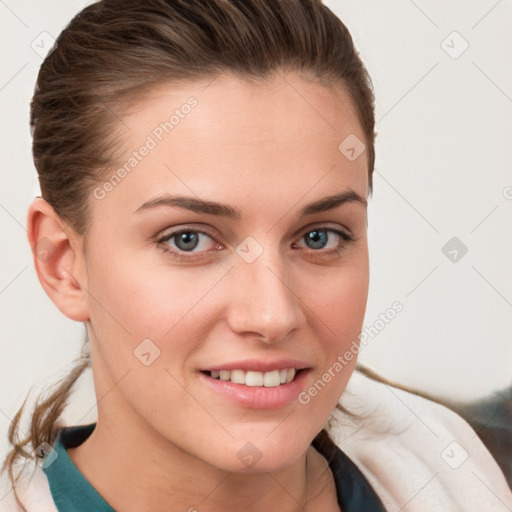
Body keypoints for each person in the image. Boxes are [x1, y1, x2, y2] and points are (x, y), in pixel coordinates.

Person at [1, 0, 511, 510]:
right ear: (63, 264)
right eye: (189, 239)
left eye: (319, 237)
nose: (273, 315)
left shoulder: (470, 476)